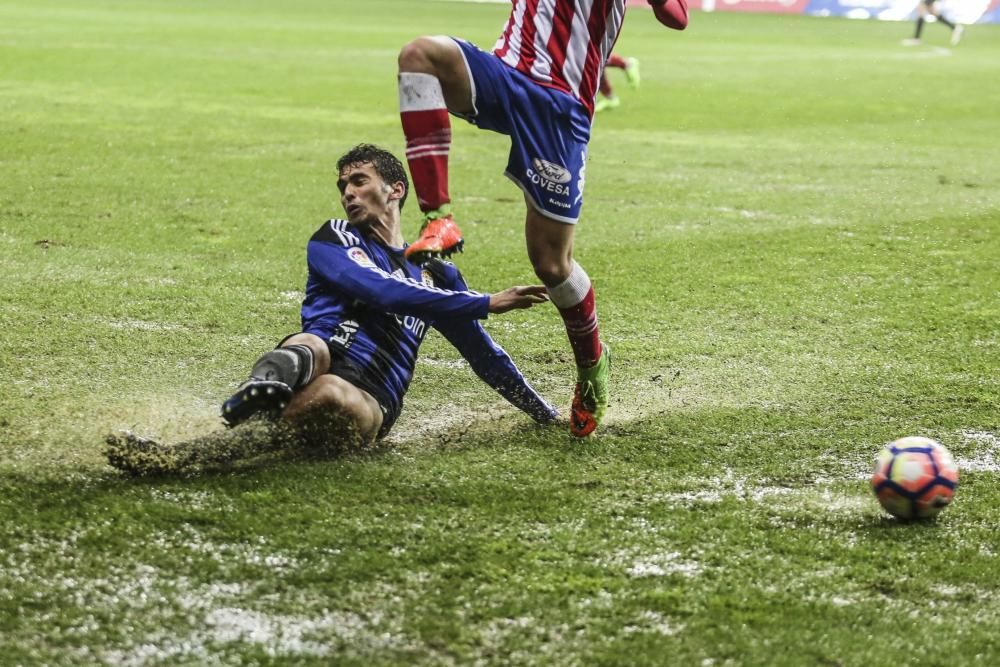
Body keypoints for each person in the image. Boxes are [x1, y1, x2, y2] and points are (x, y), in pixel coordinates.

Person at [107, 144, 558, 475]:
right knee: (311, 348)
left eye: (359, 181)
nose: (348, 192)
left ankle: (193, 452)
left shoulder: (438, 278)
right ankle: (249, 402)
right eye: (343, 185)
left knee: (330, 395)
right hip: (317, 360)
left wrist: (546, 415)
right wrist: (484, 302)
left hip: (370, 402)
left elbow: (485, 357)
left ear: (395, 189)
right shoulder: (335, 237)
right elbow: (376, 288)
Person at [396, 0, 688, 437]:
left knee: (551, 264)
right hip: (507, 75)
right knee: (419, 56)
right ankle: (438, 217)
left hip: (559, 107)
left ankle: (592, 364)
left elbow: (677, 17)